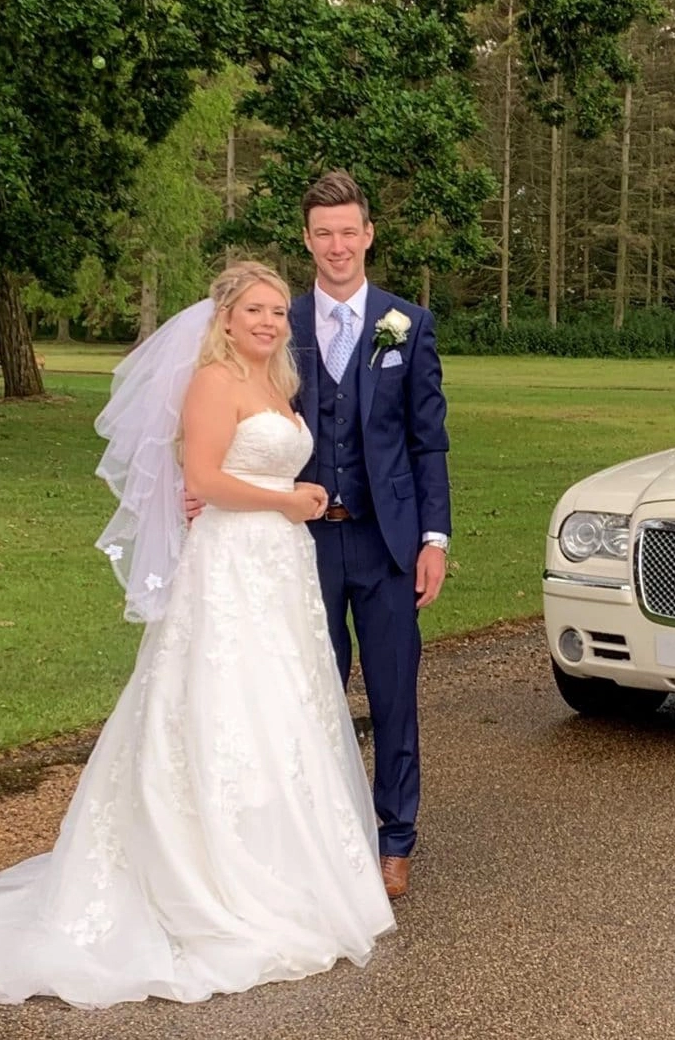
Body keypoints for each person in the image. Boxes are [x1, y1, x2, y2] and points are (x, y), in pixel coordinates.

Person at [0, 262, 395, 1009]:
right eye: (251, 311)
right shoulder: (213, 383)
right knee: (220, 703)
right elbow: (206, 478)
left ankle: (291, 866)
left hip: (277, 567)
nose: (266, 322)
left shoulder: (277, 386)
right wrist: (291, 500)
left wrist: (289, 507)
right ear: (224, 319)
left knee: (284, 706)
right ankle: (204, 873)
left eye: (274, 313)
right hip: (231, 564)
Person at [187, 171, 451, 900]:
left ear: (368, 235)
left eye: (349, 231)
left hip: (389, 541)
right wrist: (196, 479)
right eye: (322, 233)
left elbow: (430, 443)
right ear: (307, 240)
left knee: (394, 693)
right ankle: (315, 837)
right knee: (305, 693)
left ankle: (395, 839)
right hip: (296, 546)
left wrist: (435, 538)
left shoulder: (407, 325)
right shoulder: (276, 320)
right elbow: (220, 401)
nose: (337, 246)